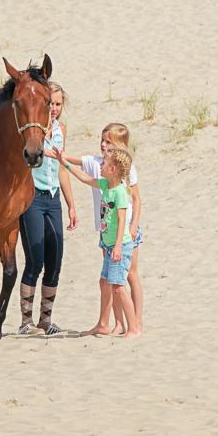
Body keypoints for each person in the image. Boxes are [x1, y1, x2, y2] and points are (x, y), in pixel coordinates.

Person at [56, 123, 143, 335]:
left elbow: (131, 207)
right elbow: (84, 177)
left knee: (124, 280)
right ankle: (114, 323)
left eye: (108, 142)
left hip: (122, 240)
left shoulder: (122, 181)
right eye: (102, 140)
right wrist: (60, 159)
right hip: (108, 237)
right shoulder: (104, 178)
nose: (103, 145)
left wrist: (130, 231)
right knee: (109, 281)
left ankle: (135, 324)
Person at [18, 82, 78, 336]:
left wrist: (71, 204)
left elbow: (62, 170)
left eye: (57, 104)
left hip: (53, 199)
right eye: (50, 103)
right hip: (32, 198)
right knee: (36, 259)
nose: (54, 109)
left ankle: (46, 319)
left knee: (55, 260)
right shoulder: (33, 131)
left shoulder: (61, 130)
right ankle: (25, 322)